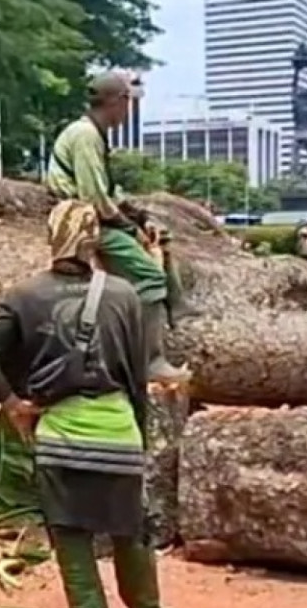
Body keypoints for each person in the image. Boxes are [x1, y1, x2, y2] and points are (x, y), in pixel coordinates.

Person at [0, 200, 177, 608]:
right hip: (117, 429)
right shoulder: (124, 295)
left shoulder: (23, 296)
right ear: (96, 241)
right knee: (128, 528)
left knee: (70, 532)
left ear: (50, 237)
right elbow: (137, 374)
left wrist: (14, 403)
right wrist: (137, 434)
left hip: (59, 433)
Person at [46, 71, 196, 383]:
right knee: (149, 275)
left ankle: (178, 307)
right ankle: (150, 360)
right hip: (81, 220)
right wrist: (129, 228)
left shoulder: (94, 134)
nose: (130, 111)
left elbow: (109, 192)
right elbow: (94, 197)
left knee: (160, 238)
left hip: (94, 212)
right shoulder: (85, 135)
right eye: (129, 103)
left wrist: (138, 215)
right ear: (118, 102)